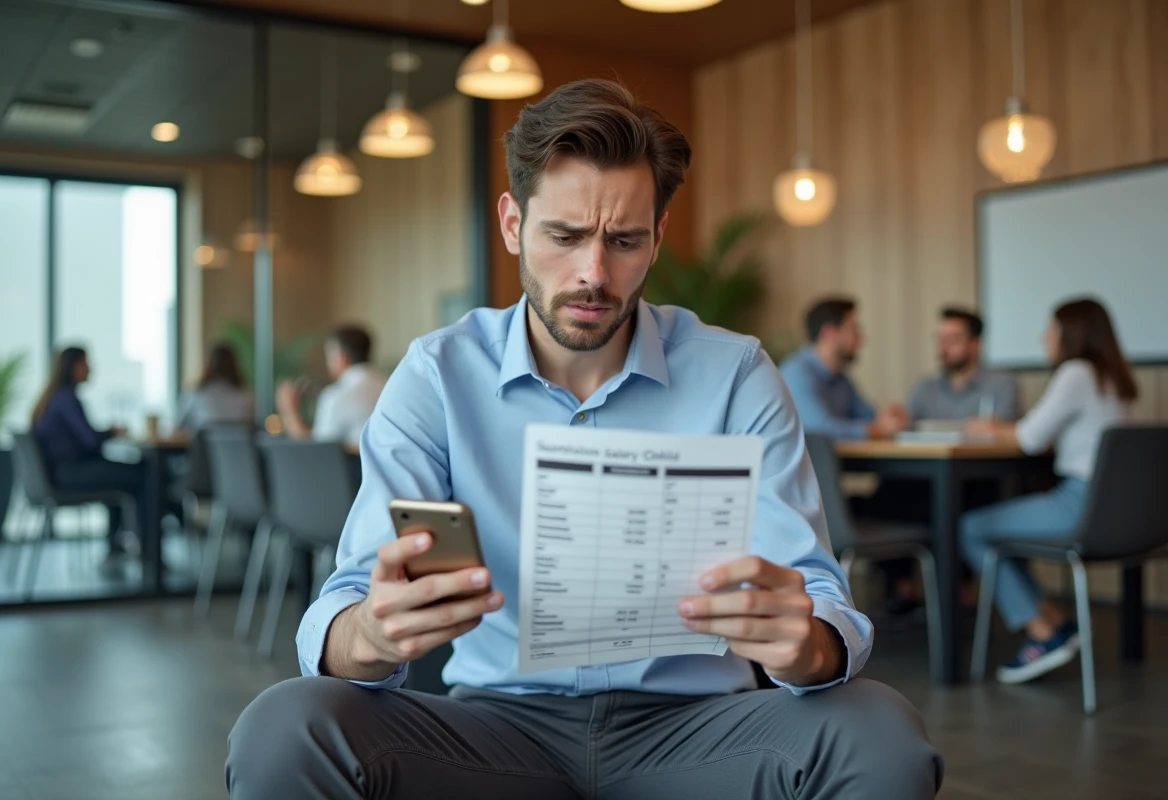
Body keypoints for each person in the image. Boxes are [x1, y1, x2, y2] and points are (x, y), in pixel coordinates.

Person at [227, 79, 941, 799]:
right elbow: (346, 599)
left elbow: (820, 592)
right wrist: (371, 636)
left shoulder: (735, 374)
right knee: (284, 727)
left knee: (879, 735)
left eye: (625, 241)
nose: (594, 274)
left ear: (658, 236)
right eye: (564, 237)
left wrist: (808, 645)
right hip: (495, 733)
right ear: (513, 224)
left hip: (698, 730)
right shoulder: (439, 374)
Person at [960, 298, 1137, 684]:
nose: (1045, 337)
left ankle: (1042, 633)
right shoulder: (1115, 377)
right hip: (1122, 511)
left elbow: (1030, 438)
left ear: (1070, 334)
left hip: (1080, 505)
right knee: (1005, 533)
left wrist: (992, 427)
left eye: (1051, 330)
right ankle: (1055, 623)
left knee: (971, 528)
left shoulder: (1076, 372)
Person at [30, 346, 147, 575]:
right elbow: (90, 441)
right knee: (141, 474)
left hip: (61, 472)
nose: (91, 368)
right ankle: (149, 553)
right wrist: (111, 432)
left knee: (122, 476)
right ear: (72, 367)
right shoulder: (66, 399)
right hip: (69, 473)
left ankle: (117, 546)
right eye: (86, 363)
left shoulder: (55, 397)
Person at [778, 298, 909, 440]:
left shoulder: (840, 378)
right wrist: (877, 430)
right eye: (854, 329)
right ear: (829, 333)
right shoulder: (796, 373)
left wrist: (887, 417)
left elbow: (867, 416)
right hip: (817, 462)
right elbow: (820, 430)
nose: (861, 338)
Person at [275, 326, 385, 448]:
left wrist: (290, 411)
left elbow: (318, 450)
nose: (327, 363)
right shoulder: (386, 385)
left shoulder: (336, 395)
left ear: (343, 358)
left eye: (329, 356)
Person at [907, 307, 1020, 422]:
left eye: (951, 340)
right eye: (940, 340)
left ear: (976, 345)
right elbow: (903, 425)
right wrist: (894, 422)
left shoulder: (1001, 385)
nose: (942, 349)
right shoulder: (925, 388)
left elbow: (1009, 432)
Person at [174, 342, 254, 433]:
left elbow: (178, 425)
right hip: (238, 447)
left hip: (203, 447)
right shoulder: (246, 395)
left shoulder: (196, 393)